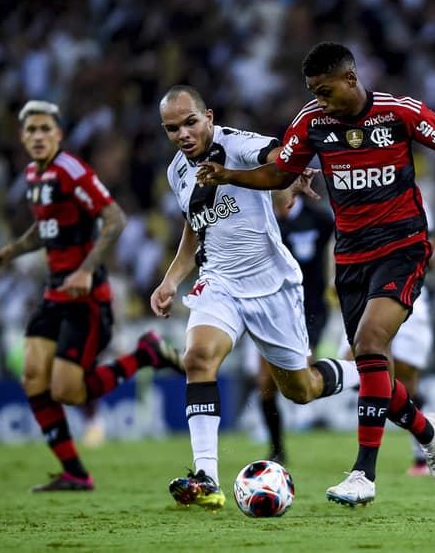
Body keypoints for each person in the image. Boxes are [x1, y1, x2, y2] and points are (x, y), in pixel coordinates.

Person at [197, 41, 435, 506]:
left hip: (402, 248)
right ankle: (426, 428)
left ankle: (363, 475)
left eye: (325, 91)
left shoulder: (397, 113)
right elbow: (280, 173)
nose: (319, 101)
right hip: (350, 259)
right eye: (313, 92)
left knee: (368, 346)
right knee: (374, 368)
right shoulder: (312, 122)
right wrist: (229, 176)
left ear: (351, 79)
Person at [150, 86, 359, 510]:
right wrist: (171, 279)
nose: (183, 134)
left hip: (271, 286)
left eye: (190, 122)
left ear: (208, 116)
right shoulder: (177, 172)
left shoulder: (237, 144)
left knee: (300, 390)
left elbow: (277, 155)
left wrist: (293, 171)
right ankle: (206, 477)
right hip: (219, 283)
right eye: (172, 129)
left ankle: (364, 371)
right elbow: (195, 227)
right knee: (198, 358)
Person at [0, 100, 181, 492]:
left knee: (67, 392)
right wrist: (7, 253)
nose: (37, 136)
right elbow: (44, 231)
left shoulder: (71, 170)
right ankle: (75, 472)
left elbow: (114, 217)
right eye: (30, 130)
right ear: (22, 137)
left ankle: (146, 354)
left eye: (44, 129)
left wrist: (87, 268)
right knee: (33, 377)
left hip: (87, 298)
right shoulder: (35, 177)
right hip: (54, 291)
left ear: (59, 135)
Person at [249, 187, 335, 464]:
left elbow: (336, 247)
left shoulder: (319, 220)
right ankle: (277, 448)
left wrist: (336, 281)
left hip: (309, 310)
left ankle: (349, 377)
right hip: (270, 309)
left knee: (302, 381)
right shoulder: (259, 218)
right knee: (265, 383)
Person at [339, 289, 434, 475]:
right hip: (363, 295)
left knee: (406, 380)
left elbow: (431, 262)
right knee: (357, 366)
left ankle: (422, 453)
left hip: (404, 293)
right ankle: (426, 430)